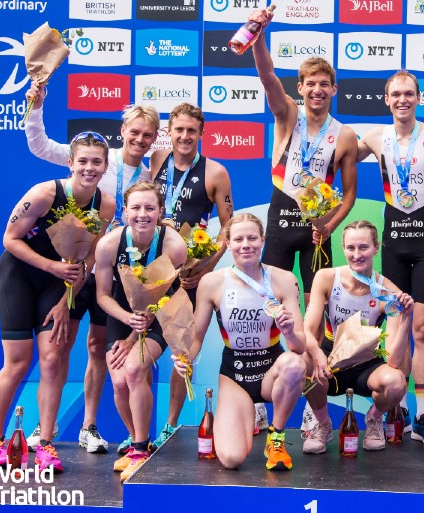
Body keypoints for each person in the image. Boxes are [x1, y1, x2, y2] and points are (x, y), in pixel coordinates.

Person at [24, 84, 160, 454]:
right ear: (123, 132)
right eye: (134, 132)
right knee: (59, 344)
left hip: (115, 274)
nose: (140, 139)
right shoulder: (97, 159)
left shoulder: (149, 175)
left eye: (148, 135)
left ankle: (89, 426)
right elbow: (40, 145)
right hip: (74, 267)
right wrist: (36, 105)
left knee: (99, 346)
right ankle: (44, 425)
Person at [0, 132, 115, 471]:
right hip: (20, 275)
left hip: (57, 286)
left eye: (96, 162)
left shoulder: (106, 205)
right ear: (70, 163)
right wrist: (51, 266)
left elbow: (87, 259)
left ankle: (45, 445)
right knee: (17, 362)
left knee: (53, 359)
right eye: (82, 161)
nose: (89, 168)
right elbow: (9, 239)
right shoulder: (44, 193)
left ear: (105, 166)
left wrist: (65, 300)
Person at [356, 70, 424, 444]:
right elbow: (337, 158)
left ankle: (421, 417)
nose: (402, 100)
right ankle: (392, 413)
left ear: (419, 98)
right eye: (395, 94)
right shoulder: (374, 137)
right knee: (397, 330)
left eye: (409, 94)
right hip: (394, 243)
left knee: (422, 329)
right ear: (386, 100)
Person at [173, 213, 307, 470]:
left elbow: (299, 346)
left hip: (272, 369)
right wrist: (184, 359)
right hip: (235, 374)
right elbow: (196, 338)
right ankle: (244, 419)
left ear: (263, 240)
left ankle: (276, 437)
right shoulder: (211, 282)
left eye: (252, 238)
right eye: (239, 239)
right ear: (228, 243)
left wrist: (288, 331)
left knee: (295, 365)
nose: (246, 244)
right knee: (232, 459)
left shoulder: (283, 279)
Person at [248, 8, 359, 298]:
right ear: (300, 88)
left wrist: (330, 227)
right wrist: (258, 36)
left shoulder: (344, 135)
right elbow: (267, 75)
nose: (317, 90)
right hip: (280, 222)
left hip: (317, 229)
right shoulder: (287, 115)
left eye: (324, 84)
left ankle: (318, 347)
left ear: (334, 89)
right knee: (272, 301)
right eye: (310, 84)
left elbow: (349, 195)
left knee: (317, 303)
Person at [147, 102, 234, 449]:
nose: (184, 136)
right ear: (169, 131)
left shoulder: (215, 173)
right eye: (178, 130)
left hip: (189, 276)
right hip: (152, 271)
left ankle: (169, 426)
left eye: (191, 131)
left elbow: (228, 226)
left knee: (182, 353)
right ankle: (137, 430)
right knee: (142, 347)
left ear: (201, 133)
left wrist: (205, 267)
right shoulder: (155, 161)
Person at [95, 181, 187, 481]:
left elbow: (169, 294)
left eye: (150, 208)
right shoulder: (109, 244)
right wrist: (128, 320)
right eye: (135, 208)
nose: (142, 214)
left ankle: (138, 449)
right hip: (121, 315)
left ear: (160, 211)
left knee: (134, 369)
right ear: (124, 211)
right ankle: (139, 439)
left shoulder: (173, 245)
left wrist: (137, 332)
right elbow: (103, 296)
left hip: (163, 313)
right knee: (119, 380)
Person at [301, 220, 413, 454]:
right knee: (303, 362)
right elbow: (308, 333)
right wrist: (319, 356)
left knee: (396, 381)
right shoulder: (327, 277)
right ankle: (322, 425)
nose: (357, 254)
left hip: (367, 365)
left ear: (376, 248)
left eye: (363, 247)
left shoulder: (388, 292)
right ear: (343, 249)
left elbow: (393, 360)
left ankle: (374, 419)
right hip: (330, 361)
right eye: (351, 248)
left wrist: (406, 319)